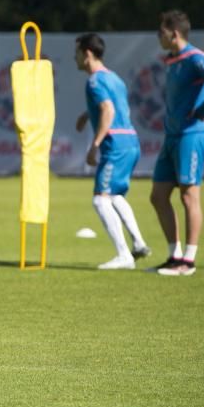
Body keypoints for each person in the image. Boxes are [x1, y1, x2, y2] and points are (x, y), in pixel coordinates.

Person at [150, 10, 204, 276]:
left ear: (174, 34)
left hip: (191, 135)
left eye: (161, 32)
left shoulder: (196, 57)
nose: (158, 36)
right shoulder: (171, 60)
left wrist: (202, 108)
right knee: (158, 196)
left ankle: (189, 261)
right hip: (172, 136)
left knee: (188, 195)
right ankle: (174, 255)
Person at [73, 33, 151, 270]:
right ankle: (138, 244)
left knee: (100, 199)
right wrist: (88, 115)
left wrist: (94, 145)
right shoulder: (114, 78)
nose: (74, 58)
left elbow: (107, 110)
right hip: (131, 142)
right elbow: (113, 105)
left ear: (87, 54)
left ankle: (124, 256)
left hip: (114, 145)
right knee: (115, 195)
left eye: (76, 53)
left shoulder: (94, 81)